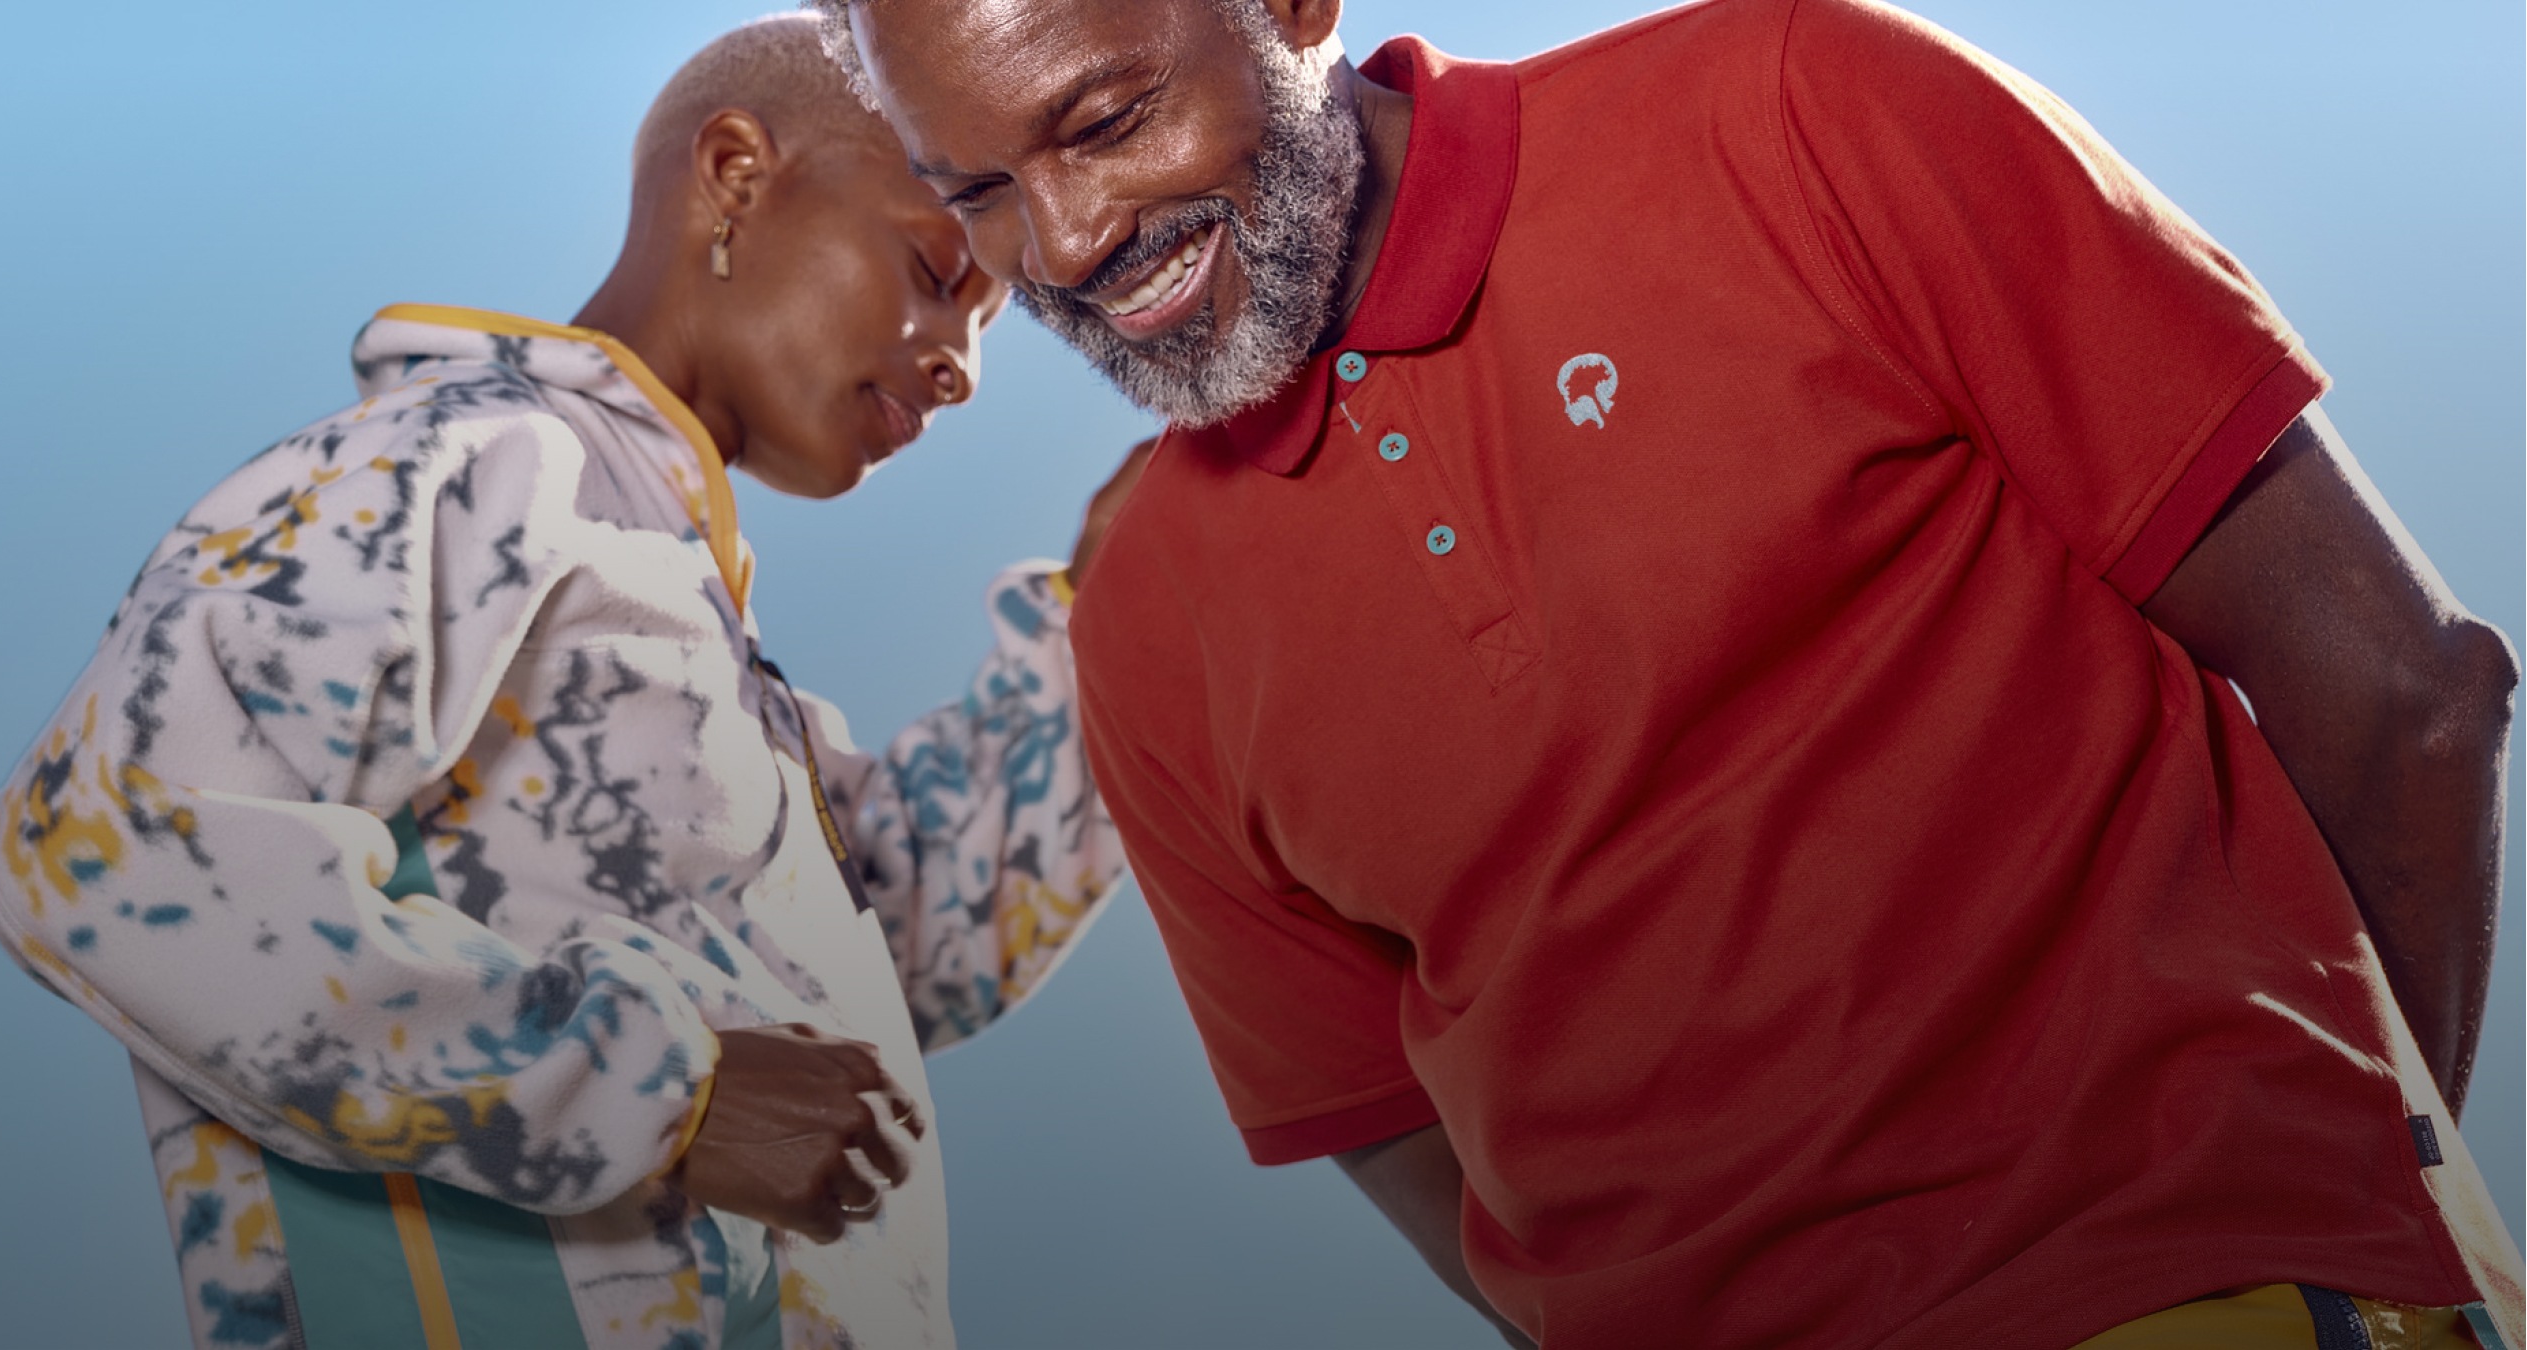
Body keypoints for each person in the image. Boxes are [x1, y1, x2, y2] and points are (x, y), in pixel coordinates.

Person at [809, 0, 2526, 1345]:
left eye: (1103, 121)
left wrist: (2333, 1225)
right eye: (978, 192)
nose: (1068, 236)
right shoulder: (1141, 617)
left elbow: (2406, 695)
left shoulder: (1795, 107)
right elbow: (1415, 1157)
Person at [0, 16, 1134, 1350]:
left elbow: (916, 940)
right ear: (737, 173)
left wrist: (1106, 625)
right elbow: (112, 842)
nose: (960, 364)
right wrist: (655, 1093)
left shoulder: (688, 621)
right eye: (938, 270)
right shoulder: (476, 458)